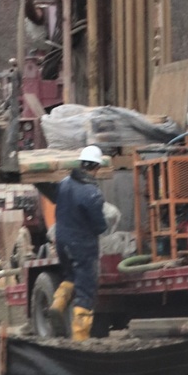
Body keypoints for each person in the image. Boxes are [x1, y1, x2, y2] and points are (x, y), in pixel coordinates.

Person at [49, 144, 109, 341]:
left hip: (62, 242)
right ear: (97, 167)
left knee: (70, 276)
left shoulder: (64, 183)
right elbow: (100, 227)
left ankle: (58, 304)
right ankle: (80, 339)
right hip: (82, 246)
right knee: (85, 290)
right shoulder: (92, 193)